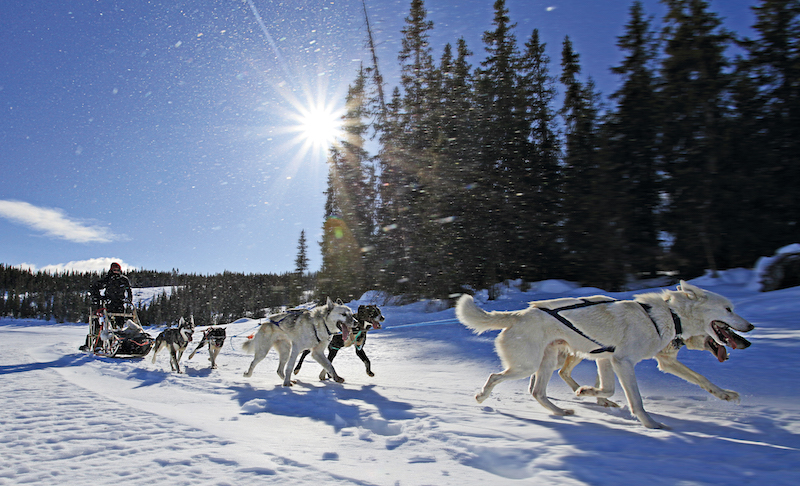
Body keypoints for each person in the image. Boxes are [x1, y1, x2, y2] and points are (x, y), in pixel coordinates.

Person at [91, 262, 133, 327]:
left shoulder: (124, 280)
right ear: (111, 270)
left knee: (120, 320)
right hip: (109, 302)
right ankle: (109, 331)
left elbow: (129, 290)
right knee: (109, 319)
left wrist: (129, 299)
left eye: (117, 270)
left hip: (120, 302)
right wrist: (99, 297)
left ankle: (119, 330)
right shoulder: (107, 279)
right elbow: (95, 286)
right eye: (114, 270)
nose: (116, 272)